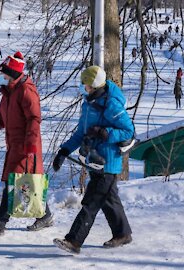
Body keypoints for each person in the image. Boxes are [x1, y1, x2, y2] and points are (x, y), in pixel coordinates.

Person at [53, 65, 134, 254]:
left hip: (108, 162)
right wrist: (64, 151)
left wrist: (105, 132)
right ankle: (123, 234)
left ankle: (74, 241)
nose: (83, 87)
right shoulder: (88, 104)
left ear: (95, 85)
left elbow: (128, 131)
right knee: (109, 198)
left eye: (86, 84)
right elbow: (81, 133)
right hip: (94, 161)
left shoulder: (111, 104)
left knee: (91, 201)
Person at [0, 51, 53, 235]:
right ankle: (45, 216)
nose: (2, 77)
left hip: (27, 146)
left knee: (14, 182)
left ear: (14, 74)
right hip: (14, 146)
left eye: (5, 74)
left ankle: (0, 222)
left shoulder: (26, 90)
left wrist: (31, 145)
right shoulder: (8, 94)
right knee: (20, 182)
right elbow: (0, 120)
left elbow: (34, 119)